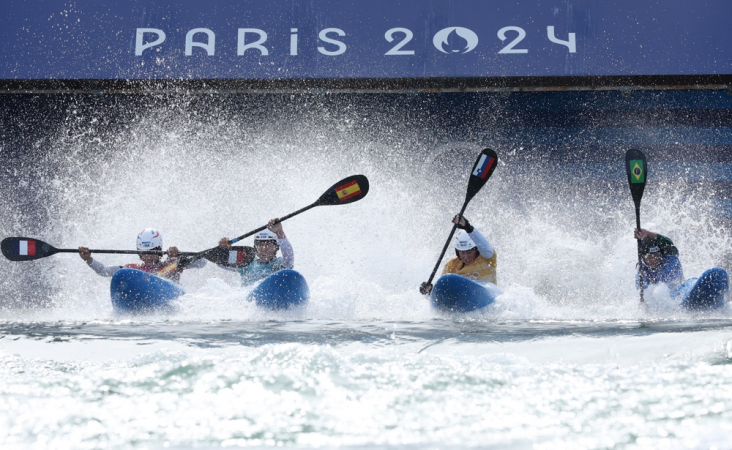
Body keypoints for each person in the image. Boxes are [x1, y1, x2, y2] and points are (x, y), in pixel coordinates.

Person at [78, 228, 205, 283]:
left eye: (151, 252)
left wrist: (179, 255)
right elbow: (104, 271)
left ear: (159, 250)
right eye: (143, 253)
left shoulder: (172, 263)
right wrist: (89, 259)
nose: (147, 256)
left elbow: (202, 263)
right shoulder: (133, 269)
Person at [420, 215, 497, 294]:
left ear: (476, 250)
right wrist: (430, 291)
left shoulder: (487, 258)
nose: (466, 256)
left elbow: (484, 246)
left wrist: (468, 227)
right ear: (457, 252)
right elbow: (443, 291)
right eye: (462, 252)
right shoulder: (451, 265)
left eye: (469, 252)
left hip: (487, 296)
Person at [217, 218, 294, 285]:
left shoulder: (279, 264)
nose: (263, 248)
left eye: (268, 244)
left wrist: (280, 233)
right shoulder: (246, 263)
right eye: (260, 244)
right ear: (255, 247)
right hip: (248, 301)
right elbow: (221, 263)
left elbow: (289, 258)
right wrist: (223, 249)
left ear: (276, 247)